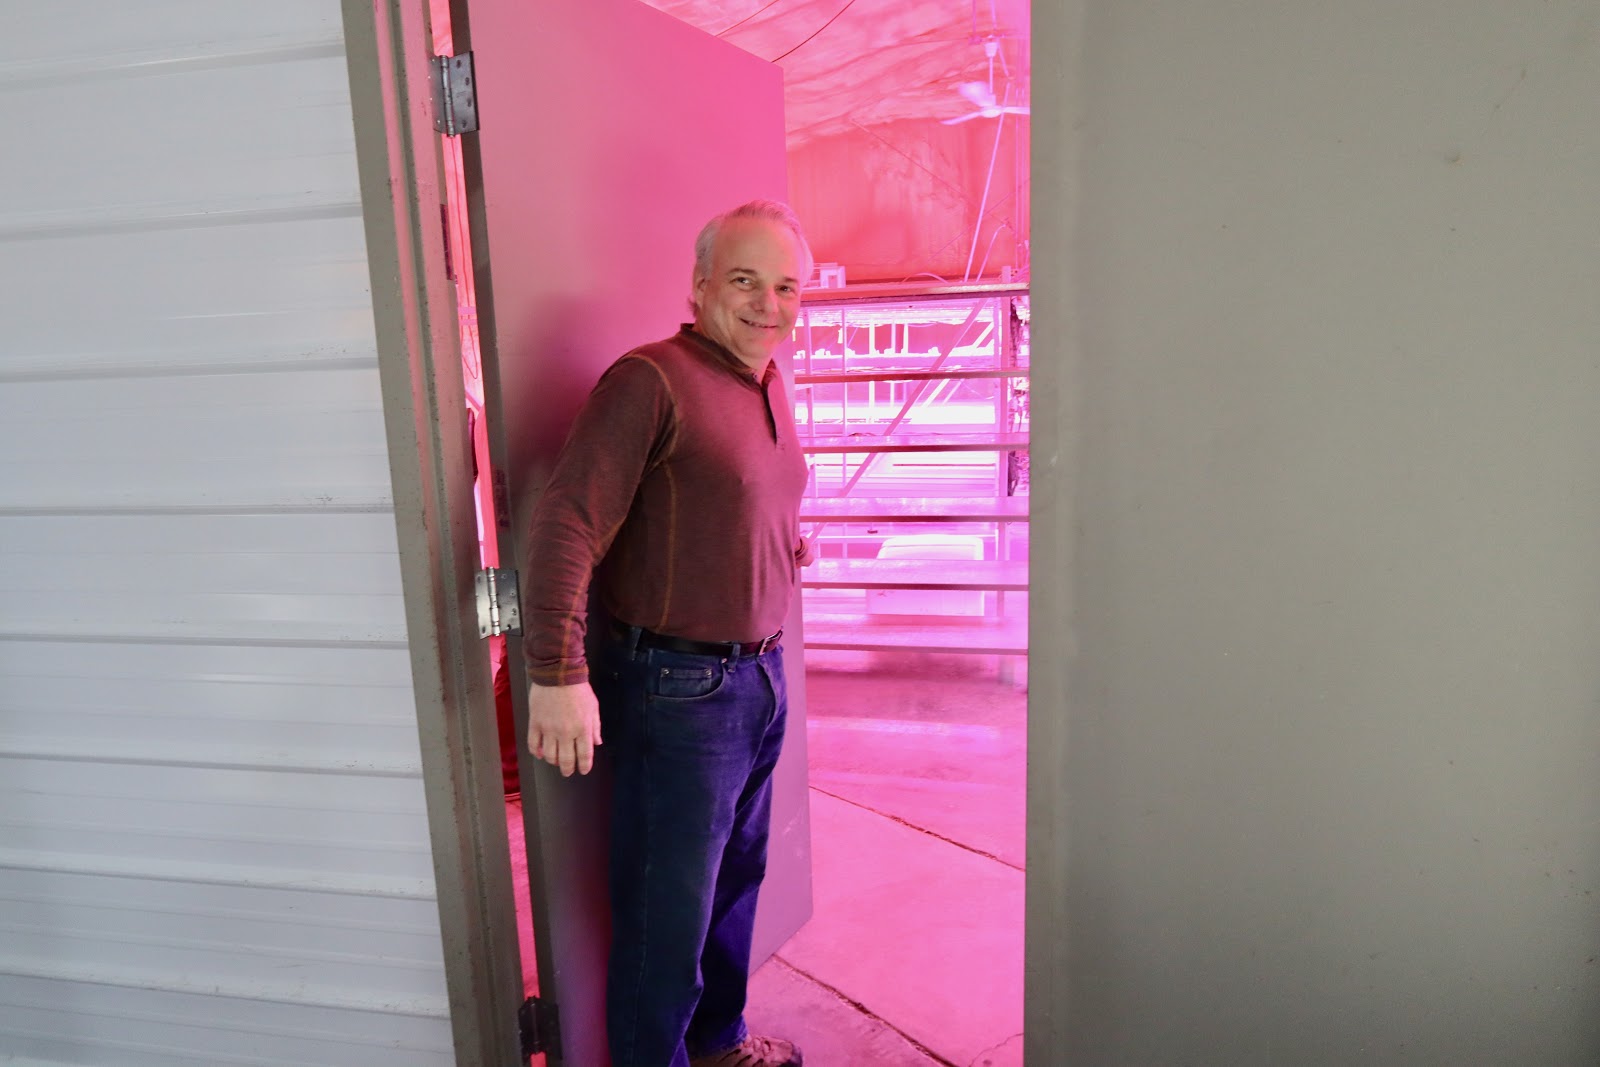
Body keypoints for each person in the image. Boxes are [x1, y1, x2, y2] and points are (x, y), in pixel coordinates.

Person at [520, 200, 814, 1067]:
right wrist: (556, 670)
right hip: (680, 694)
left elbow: (726, 503)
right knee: (667, 916)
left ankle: (717, 1043)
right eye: (745, 281)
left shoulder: (767, 381)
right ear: (699, 286)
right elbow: (567, 522)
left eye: (787, 285)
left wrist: (786, 544)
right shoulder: (651, 379)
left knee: (732, 886)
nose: (769, 303)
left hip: (759, 680)